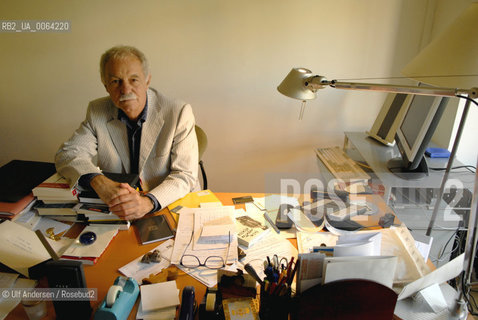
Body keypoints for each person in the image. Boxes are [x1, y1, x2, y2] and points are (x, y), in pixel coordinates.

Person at [55, 45, 199, 220]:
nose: (125, 89)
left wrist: (147, 202)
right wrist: (100, 182)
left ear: (147, 81)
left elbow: (185, 175)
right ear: (106, 85)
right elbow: (68, 154)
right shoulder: (97, 111)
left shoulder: (178, 112)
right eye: (116, 81)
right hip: (118, 209)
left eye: (133, 79)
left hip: (166, 205)